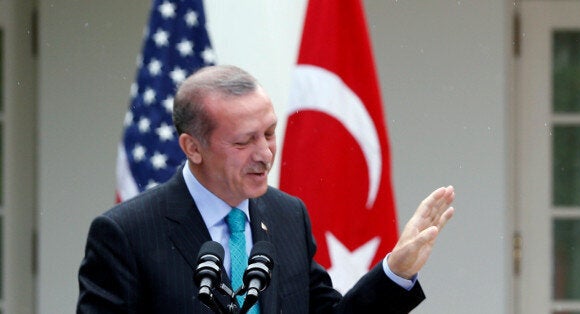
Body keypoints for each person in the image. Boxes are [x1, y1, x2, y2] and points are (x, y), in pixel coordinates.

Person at [77, 65, 455, 313]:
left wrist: (395, 271)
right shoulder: (126, 234)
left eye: (270, 133)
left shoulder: (287, 216)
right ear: (193, 148)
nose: (265, 154)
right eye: (243, 142)